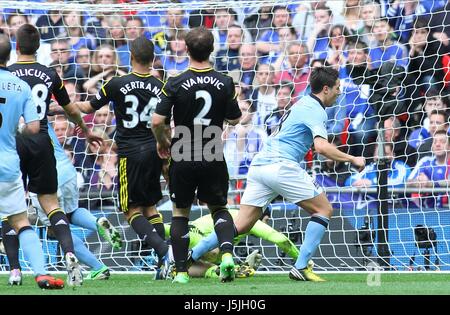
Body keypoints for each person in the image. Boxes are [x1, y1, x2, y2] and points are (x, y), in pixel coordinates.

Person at [186, 67, 365, 282]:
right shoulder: (316, 110)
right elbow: (322, 147)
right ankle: (301, 267)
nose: (339, 92)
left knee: (241, 224)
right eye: (337, 88)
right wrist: (353, 159)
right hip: (281, 166)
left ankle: (189, 258)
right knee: (324, 209)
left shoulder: (302, 103)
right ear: (325, 89)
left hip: (260, 166)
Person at [8, 24, 103, 287]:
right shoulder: (50, 74)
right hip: (41, 140)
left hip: (14, 140)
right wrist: (84, 130)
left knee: (11, 207)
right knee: (51, 203)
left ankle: (15, 269)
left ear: (17, 47)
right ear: (39, 47)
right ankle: (70, 253)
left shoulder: (9, 73)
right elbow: (71, 109)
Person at [152, 26, 242, 284]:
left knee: (180, 213)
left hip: (182, 152)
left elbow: (157, 121)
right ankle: (226, 256)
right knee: (219, 208)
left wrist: (162, 141)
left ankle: (181, 273)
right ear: (212, 49)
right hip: (212, 150)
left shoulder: (175, 82)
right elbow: (236, 119)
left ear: (187, 50)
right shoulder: (225, 82)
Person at [75, 35, 170, 279]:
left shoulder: (117, 83)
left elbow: (87, 108)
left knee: (129, 209)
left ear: (131, 55)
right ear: (152, 59)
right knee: (150, 207)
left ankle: (163, 249)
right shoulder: (162, 87)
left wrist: (58, 108)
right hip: (154, 151)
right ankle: (164, 263)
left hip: (129, 153)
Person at [0, 34, 64, 289]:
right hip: (7, 164)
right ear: (9, 56)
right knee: (20, 221)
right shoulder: (21, 86)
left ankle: (17, 270)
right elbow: (35, 127)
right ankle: (40, 273)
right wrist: (16, 130)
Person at [162, 209, 302, 279]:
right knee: (215, 253)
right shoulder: (252, 222)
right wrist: (302, 260)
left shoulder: (238, 218)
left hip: (181, 247)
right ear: (259, 215)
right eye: (266, 220)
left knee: (215, 262)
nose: (267, 224)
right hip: (191, 236)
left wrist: (241, 267)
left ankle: (172, 268)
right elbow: (280, 239)